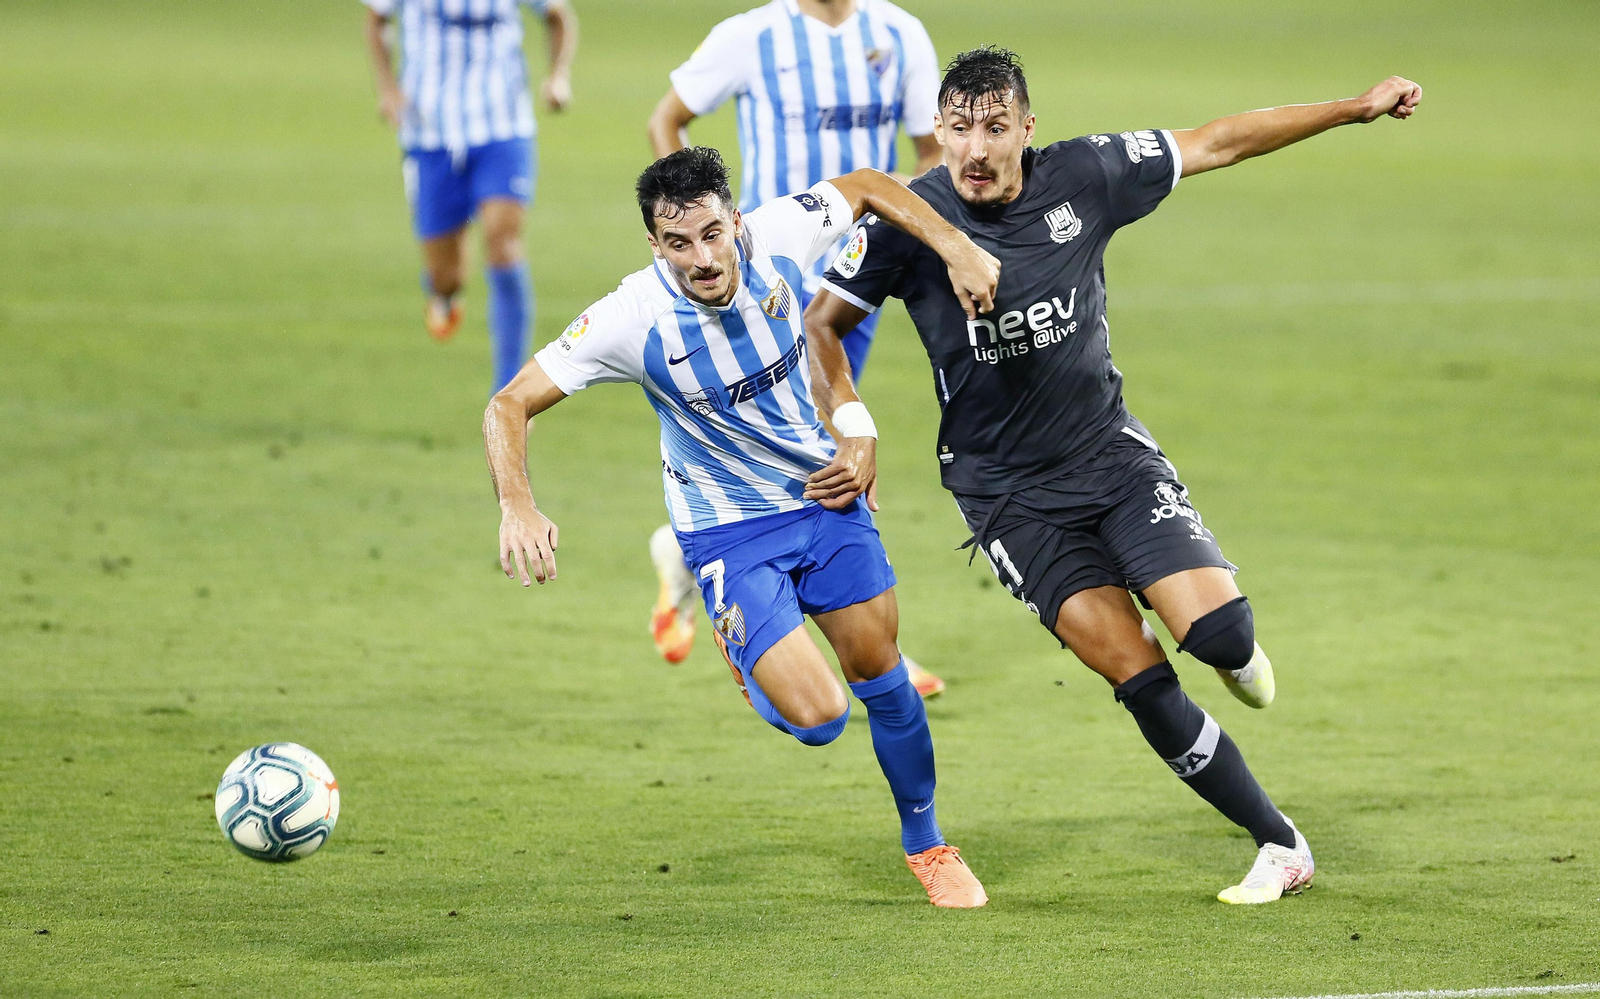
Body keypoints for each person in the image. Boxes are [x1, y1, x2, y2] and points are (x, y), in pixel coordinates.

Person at [803, 46, 1422, 904]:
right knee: (1135, 672)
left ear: (1028, 128)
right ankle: (1280, 844)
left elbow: (1217, 142)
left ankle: (1237, 656)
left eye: (993, 128)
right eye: (957, 129)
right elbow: (820, 327)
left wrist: (1351, 107)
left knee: (1217, 640)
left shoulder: (1088, 173)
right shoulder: (910, 222)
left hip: (1108, 455)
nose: (974, 150)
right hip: (1006, 495)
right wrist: (855, 425)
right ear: (938, 132)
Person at [482, 147, 1001, 906]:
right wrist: (517, 502)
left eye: (713, 233)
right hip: (727, 528)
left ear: (733, 220)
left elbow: (867, 188)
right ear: (654, 246)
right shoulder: (630, 316)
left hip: (823, 494)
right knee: (821, 720)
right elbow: (508, 403)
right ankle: (738, 645)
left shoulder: (782, 233)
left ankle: (927, 845)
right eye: (680, 243)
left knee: (884, 678)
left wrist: (953, 245)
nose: (703, 257)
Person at [643, 0, 947, 696]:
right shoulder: (750, 35)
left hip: (857, 285)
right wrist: (693, 239)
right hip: (767, 295)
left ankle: (698, 563)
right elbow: (668, 117)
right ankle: (850, 649)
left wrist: (914, 230)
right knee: (836, 448)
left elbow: (930, 150)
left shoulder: (899, 34)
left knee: (830, 448)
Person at [361, 0, 578, 393]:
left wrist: (558, 75)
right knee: (447, 276)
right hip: (428, 130)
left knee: (504, 243)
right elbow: (377, 20)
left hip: (503, 125)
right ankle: (443, 293)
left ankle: (511, 390)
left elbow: (557, 15)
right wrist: (387, 88)